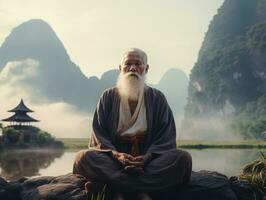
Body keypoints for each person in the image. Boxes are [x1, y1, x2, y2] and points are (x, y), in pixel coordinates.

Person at [73, 48, 192, 200]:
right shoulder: (108, 97)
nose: (133, 68)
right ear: (120, 68)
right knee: (83, 157)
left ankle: (112, 187)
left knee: (183, 158)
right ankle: (141, 190)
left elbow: (165, 136)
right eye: (128, 64)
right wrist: (118, 156)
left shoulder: (157, 98)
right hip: (113, 160)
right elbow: (99, 135)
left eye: (138, 64)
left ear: (146, 68)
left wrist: (147, 157)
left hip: (149, 162)